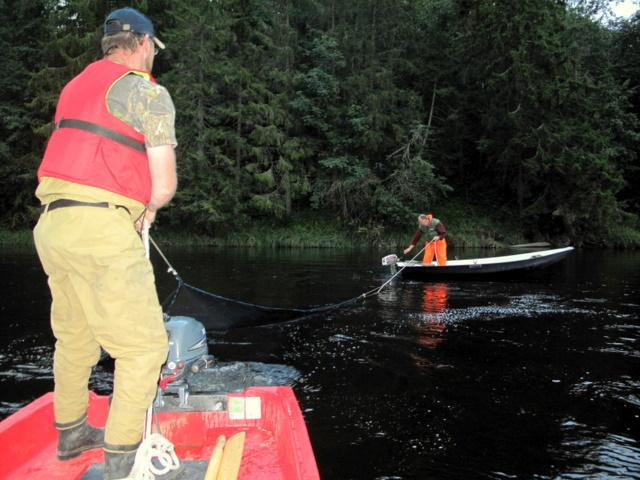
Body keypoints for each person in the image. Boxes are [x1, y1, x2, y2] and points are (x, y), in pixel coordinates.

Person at [33, 7, 180, 479]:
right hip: (101, 227)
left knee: (75, 338)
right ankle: (123, 461)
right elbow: (163, 185)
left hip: (52, 226)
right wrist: (150, 211)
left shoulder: (74, 87)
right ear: (142, 44)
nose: (153, 58)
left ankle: (72, 432)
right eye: (153, 50)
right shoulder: (146, 92)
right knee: (143, 348)